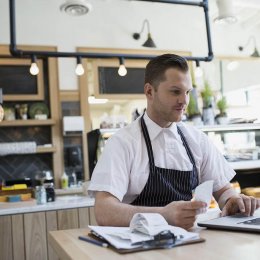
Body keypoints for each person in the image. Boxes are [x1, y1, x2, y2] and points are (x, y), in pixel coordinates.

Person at [88, 54, 260, 229]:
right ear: (149, 91)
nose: (184, 100)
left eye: (187, 92)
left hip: (186, 244)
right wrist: (163, 215)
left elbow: (223, 190)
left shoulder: (196, 140)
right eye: (175, 91)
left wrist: (232, 200)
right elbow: (104, 211)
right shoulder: (123, 142)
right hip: (138, 247)